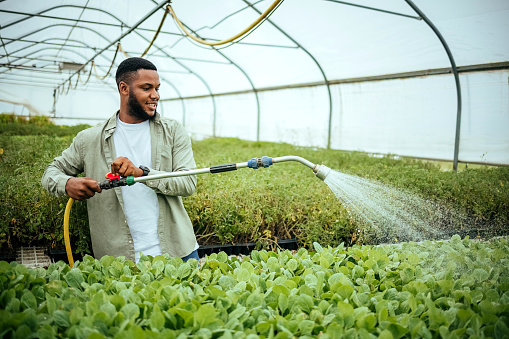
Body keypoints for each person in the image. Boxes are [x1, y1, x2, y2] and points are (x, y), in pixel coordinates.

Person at [41, 57, 199, 263]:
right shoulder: (89, 139)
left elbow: (188, 183)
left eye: (157, 88)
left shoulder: (173, 131)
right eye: (147, 88)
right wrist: (68, 183)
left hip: (178, 252)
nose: (155, 95)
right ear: (124, 88)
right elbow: (50, 173)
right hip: (119, 259)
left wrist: (142, 174)